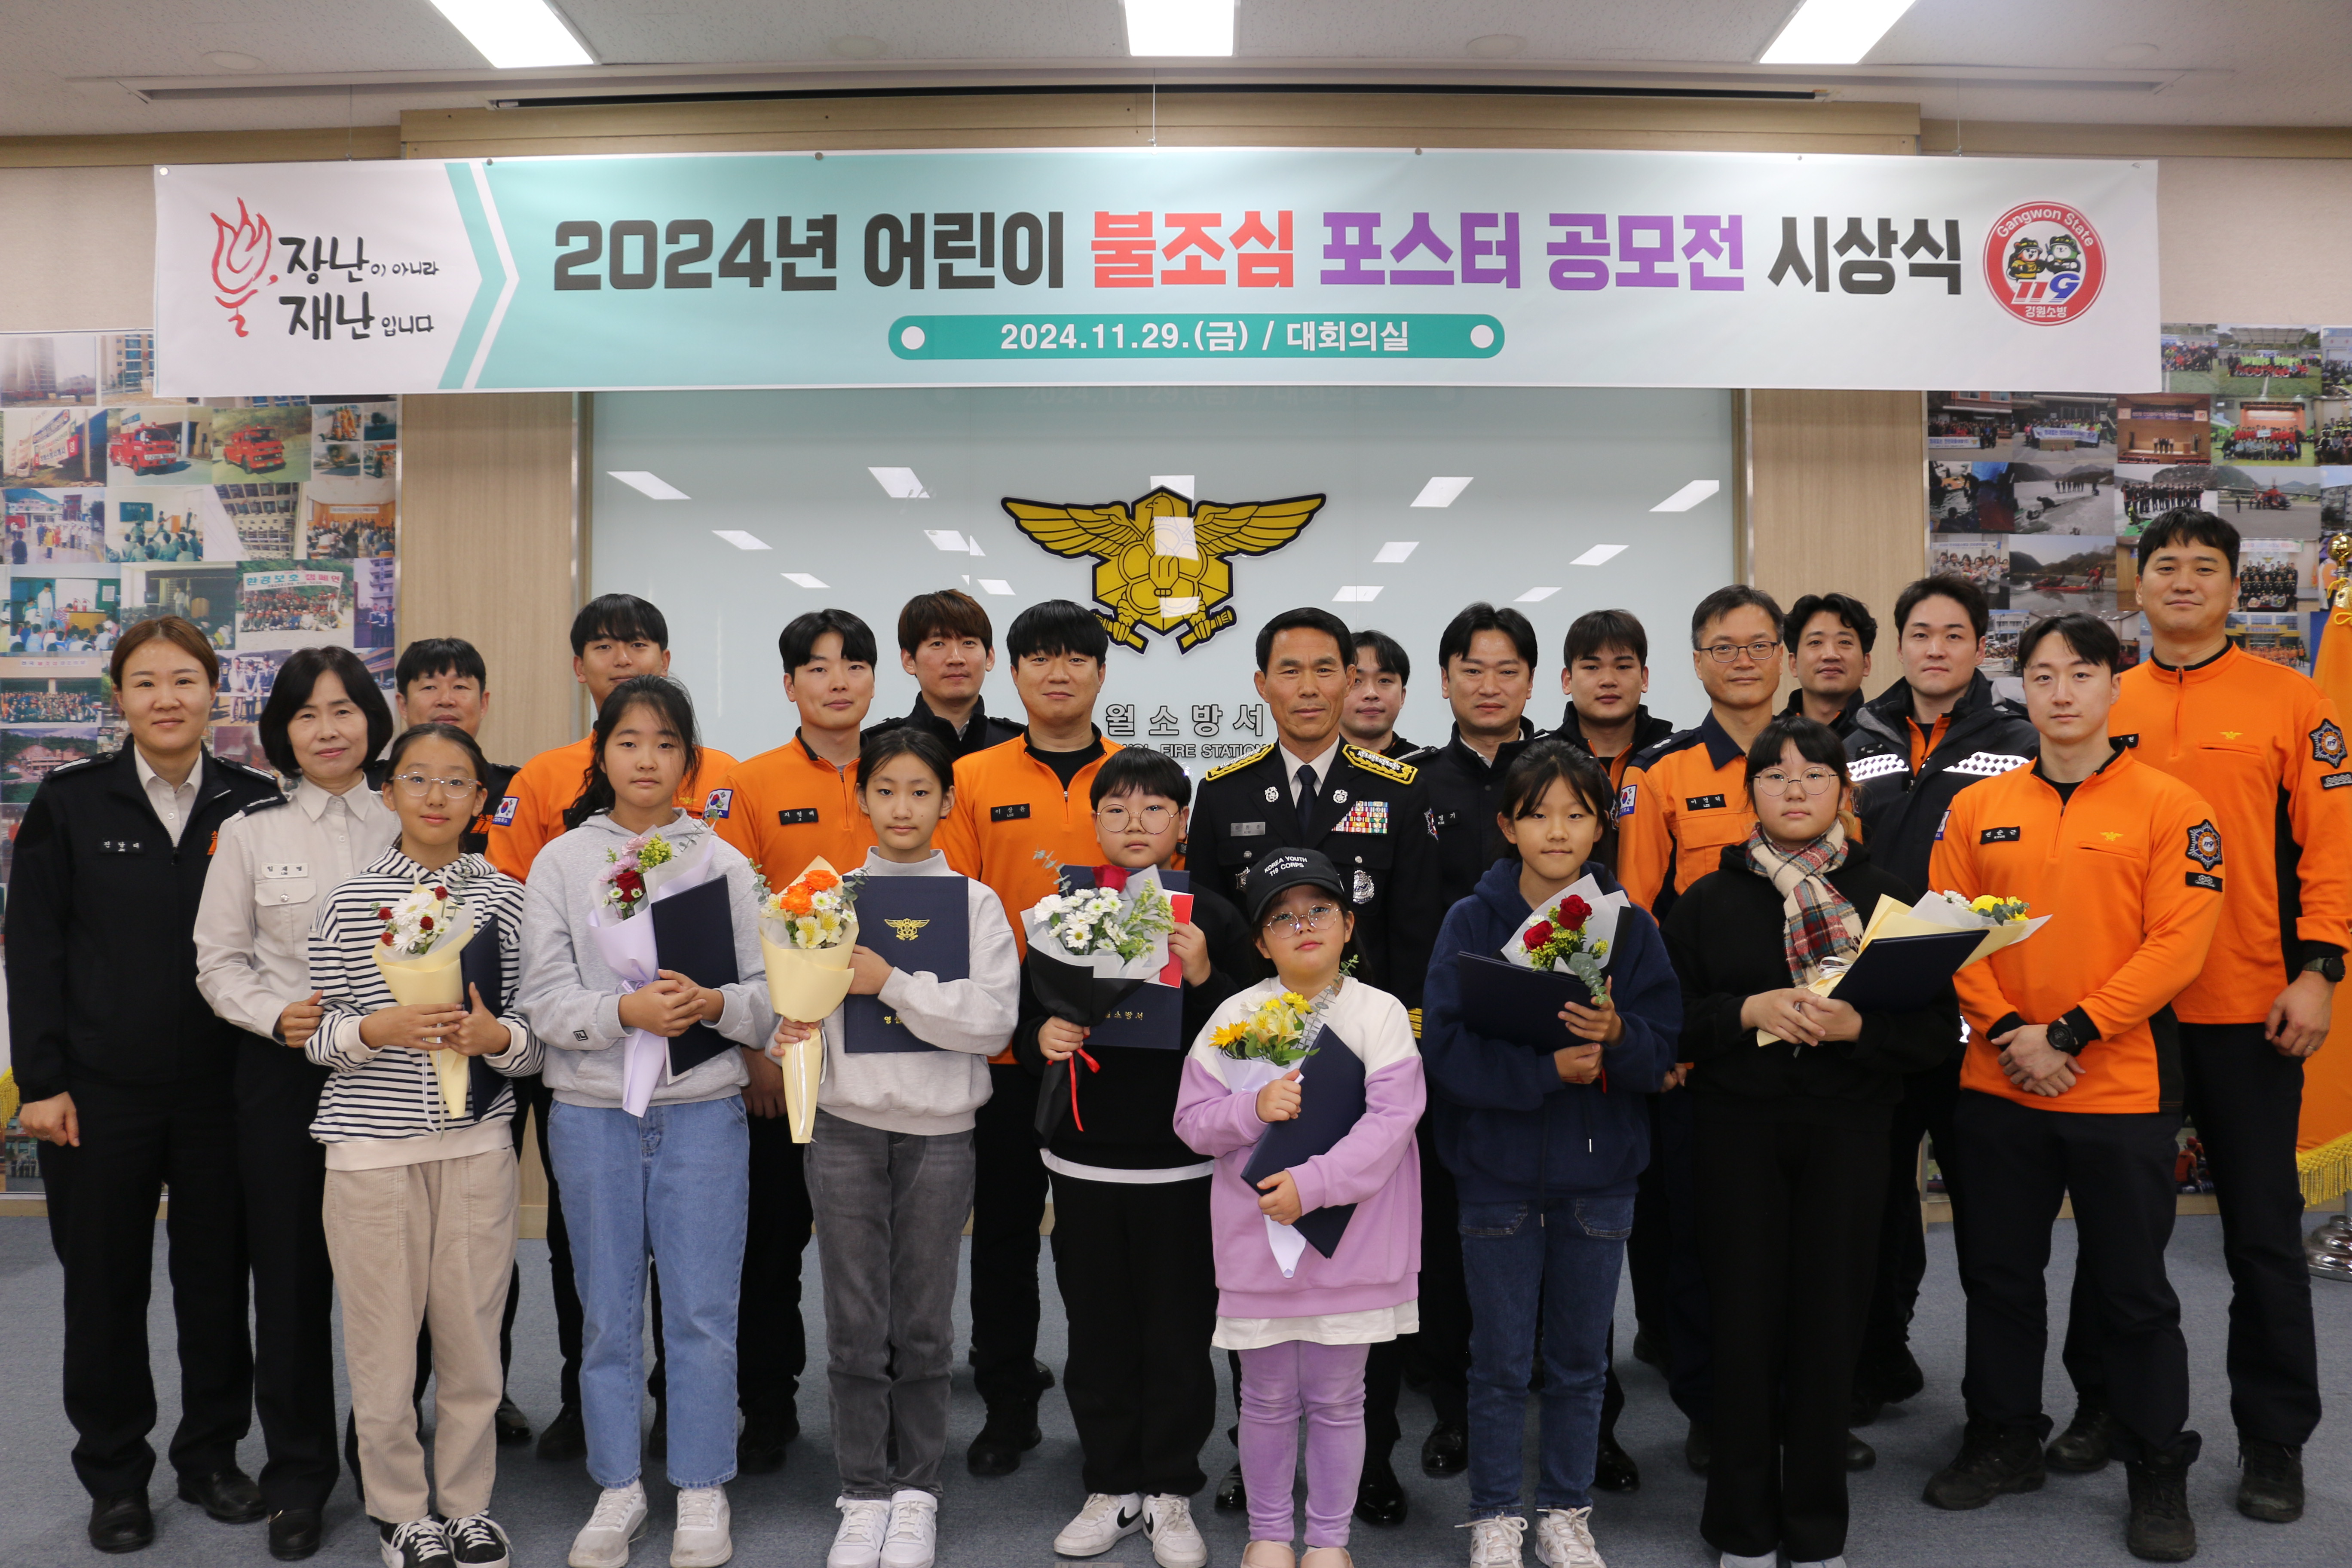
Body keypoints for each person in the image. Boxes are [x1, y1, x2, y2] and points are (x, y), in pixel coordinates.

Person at [1925, 612, 2224, 1565]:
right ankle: (2003, 1436)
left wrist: (2070, 1032)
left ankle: (2156, 1466)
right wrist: (2011, 1033)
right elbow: (1949, 930)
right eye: (2044, 674)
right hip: (1998, 1083)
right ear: (2022, 686)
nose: (2061, 692)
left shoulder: (2172, 807)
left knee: (2134, 1292)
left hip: (2119, 1089)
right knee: (1998, 1279)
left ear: (2112, 686)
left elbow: (2177, 944)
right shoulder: (1978, 807)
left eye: (2081, 674)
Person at [2066, 511, 2348, 1521]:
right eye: (2164, 566)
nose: (2182, 581)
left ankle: (2273, 1439)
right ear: (2136, 586)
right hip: (2126, 1012)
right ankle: (2103, 1406)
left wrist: (2320, 970)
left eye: (2203, 567)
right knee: (2115, 1229)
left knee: (2262, 1235)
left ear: (2236, 587)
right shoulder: (2105, 698)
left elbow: (2330, 844)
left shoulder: (2293, 701)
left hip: (2247, 1007)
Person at [5, 617, 282, 1555]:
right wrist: (41, 1079)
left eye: (185, 680)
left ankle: (210, 1456)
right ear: (118, 697)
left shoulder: (255, 801)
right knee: (104, 1288)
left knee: (217, 1283)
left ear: (215, 693)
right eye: (147, 682)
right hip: (97, 1093)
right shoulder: (71, 801)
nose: (168, 699)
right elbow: (34, 948)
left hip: (222, 1090)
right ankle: (116, 1473)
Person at [1663, 717, 1958, 1568]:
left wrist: (1860, 1026)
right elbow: (1669, 1022)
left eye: (1814, 773)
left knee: (1831, 1329)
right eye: (1775, 774)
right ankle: (1742, 1528)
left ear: (1844, 791)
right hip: (1736, 1133)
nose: (1794, 788)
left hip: (1850, 1135)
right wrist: (1746, 1011)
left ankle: (1818, 1530)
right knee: (1741, 1326)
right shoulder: (1706, 899)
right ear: (1749, 793)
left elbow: (1935, 1033)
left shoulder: (1890, 898)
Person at [1187, 605, 1441, 1525]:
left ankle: (1372, 1461)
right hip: (1260, 1067)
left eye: (1326, 668)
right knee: (1261, 1283)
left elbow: (1414, 931)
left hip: (1367, 1062)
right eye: (1288, 670)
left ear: (1352, 679)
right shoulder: (1224, 793)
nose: (1308, 687)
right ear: (1261, 685)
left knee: (1357, 1289)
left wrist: (1387, 1048)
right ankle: (1248, 1455)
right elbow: (1212, 933)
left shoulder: (1398, 788)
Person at [517, 676, 774, 1568]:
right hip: (592, 1115)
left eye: (666, 743)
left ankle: (701, 1484)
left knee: (702, 1311)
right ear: (601, 754)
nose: (647, 759)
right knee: (606, 1312)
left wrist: (714, 1004)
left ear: (689, 760)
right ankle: (618, 1484)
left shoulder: (722, 862)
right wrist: (622, 1014)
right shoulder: (561, 862)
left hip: (703, 1114)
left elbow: (770, 997)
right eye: (628, 741)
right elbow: (542, 999)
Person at [1421, 741, 1681, 1568]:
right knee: (1498, 1360)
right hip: (1493, 1176)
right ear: (1507, 825)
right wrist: (1544, 1070)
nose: (1558, 830)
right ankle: (1495, 1510)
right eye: (1538, 814)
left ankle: (1566, 1509)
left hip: (1598, 1176)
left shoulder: (1630, 926)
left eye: (1577, 813)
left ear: (1601, 825)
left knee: (1579, 1361)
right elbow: (1445, 1054)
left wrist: (1618, 1036)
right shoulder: (1470, 920)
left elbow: (1663, 1051)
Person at [769, 727, 1020, 1568]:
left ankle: (916, 1490)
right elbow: (794, 1009)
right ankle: (862, 1490)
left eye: (920, 791)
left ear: (946, 801)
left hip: (941, 1134)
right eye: (885, 790)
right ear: (862, 799)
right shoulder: (824, 897)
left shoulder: (976, 903)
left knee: (921, 1323)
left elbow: (992, 1024)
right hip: (844, 1127)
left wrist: (893, 983)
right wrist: (788, 1031)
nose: (902, 807)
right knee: (853, 1320)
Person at [305, 722, 542, 1568]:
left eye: (455, 781)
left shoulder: (510, 899)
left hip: (477, 1146)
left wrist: (496, 1038)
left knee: (472, 1340)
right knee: (382, 1344)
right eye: (417, 778)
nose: (436, 795)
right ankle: (402, 1512)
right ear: (389, 791)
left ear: (481, 800)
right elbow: (316, 1035)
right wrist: (378, 1027)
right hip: (369, 1155)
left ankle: (469, 1504)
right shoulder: (347, 899)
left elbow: (539, 1037)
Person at [1014, 747, 1252, 1568]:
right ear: (1095, 822)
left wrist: (1205, 974)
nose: (1134, 822)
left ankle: (1171, 1487)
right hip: (1084, 1160)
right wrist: (1042, 1035)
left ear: (1182, 822)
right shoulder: (1061, 908)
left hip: (1182, 1164)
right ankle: (1111, 1481)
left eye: (1154, 808)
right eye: (1116, 808)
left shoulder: (1211, 914)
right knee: (1098, 1329)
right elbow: (1022, 1023)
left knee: (1179, 1330)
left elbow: (1254, 1038)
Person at [193, 645, 398, 1559]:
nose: (328, 729)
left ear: (370, 721)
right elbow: (218, 961)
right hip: (284, 1072)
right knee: (289, 1282)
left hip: (393, 1072)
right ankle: (299, 1478)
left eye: (344, 709)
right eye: (307, 714)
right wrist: (274, 1014)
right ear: (283, 731)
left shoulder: (409, 816)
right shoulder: (250, 832)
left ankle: (388, 1470)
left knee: (395, 1285)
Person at [1173, 848, 1428, 1568]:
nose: (1303, 925)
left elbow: (1391, 1124)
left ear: (1348, 924)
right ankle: (1268, 1535)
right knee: (1264, 1398)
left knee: (1340, 1400)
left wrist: (1311, 1186)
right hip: (1257, 1245)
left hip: (1352, 1244)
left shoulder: (1378, 1012)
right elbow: (1191, 1123)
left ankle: (1328, 1541)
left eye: (1319, 910)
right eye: (1282, 917)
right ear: (1261, 942)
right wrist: (1252, 1107)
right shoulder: (1235, 1015)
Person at [934, 599, 1125, 1475]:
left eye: (1076, 658)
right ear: (1011, 674)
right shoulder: (972, 778)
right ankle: (1007, 1404)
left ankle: (1104, 1411)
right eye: (1040, 658)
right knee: (1005, 1232)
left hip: (1111, 1050)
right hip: (1007, 1051)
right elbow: (958, 916)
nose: (1059, 673)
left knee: (1097, 1243)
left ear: (1101, 672)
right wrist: (1018, 1018)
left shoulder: (1135, 776)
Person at [1842, 574, 2037, 1424]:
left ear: (1980, 648)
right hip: (1879, 1009)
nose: (1935, 648)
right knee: (1874, 1207)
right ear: (1899, 646)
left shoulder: (2021, 739)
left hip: (1977, 1014)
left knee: (1992, 1218)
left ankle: (1999, 1414)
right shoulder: (1856, 737)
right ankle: (1877, 1359)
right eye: (1920, 633)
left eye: (1954, 635)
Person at [702, 608, 882, 1476]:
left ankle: (881, 1410)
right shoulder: (750, 783)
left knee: (876, 1248)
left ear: (875, 678)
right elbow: (728, 924)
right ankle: (767, 1406)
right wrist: (752, 1052)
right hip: (783, 1050)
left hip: (890, 1048)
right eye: (816, 667)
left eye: (853, 664)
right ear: (788, 685)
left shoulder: (906, 772)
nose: (837, 681)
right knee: (769, 1244)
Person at [1612, 586, 1788, 1474]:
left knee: (1800, 1236)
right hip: (1705, 1048)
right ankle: (1711, 1407)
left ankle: (1803, 1401)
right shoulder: (1661, 772)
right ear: (1696, 662)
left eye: (1759, 644)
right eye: (1724, 647)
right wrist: (1665, 1041)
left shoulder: (1820, 758)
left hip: (1806, 1043)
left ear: (1782, 655)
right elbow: (1636, 917)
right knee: (1699, 1238)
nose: (1743, 661)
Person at [1395, 600, 1546, 1486]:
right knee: (1450, 1230)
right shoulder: (1412, 785)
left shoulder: (1560, 774)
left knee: (1559, 1225)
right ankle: (1453, 1409)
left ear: (1531, 680)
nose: (1490, 687)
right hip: (1446, 1044)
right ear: (1446, 680)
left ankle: (1583, 1416)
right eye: (1472, 670)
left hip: (1550, 1040)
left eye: (1507, 670)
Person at [393, 634, 556, 1452]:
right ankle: (392, 1401)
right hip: (397, 1055)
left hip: (497, 1041)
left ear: (485, 704)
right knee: (396, 1244)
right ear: (404, 703)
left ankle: (486, 1389)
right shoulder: (388, 795)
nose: (447, 697)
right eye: (430, 685)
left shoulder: (512, 789)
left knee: (484, 1233)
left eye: (463, 686)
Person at [484, 594, 738, 882]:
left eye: (638, 645)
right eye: (604, 647)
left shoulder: (723, 773)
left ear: (664, 661)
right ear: (580, 667)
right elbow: (509, 886)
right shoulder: (541, 777)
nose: (622, 660)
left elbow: (742, 874)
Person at [867, 589, 1024, 761]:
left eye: (968, 643)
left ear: (990, 657)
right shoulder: (876, 749)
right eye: (938, 644)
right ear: (909, 660)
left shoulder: (1022, 746)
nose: (956, 659)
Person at [1553, 610, 1674, 799]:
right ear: (1567, 681)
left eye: (1623, 667)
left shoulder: (1676, 756)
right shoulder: (1540, 762)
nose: (1608, 681)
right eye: (1592, 667)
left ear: (1644, 679)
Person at [1780, 594, 1877, 738]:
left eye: (1844, 642)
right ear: (1793, 664)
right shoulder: (1771, 740)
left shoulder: (1887, 737)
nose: (1830, 655)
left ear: (1866, 664)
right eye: (1816, 642)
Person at [1343, 631, 1416, 758]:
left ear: (1402, 696)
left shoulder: (1424, 767)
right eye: (1356, 681)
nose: (1371, 694)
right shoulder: (1314, 765)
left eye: (1384, 681)